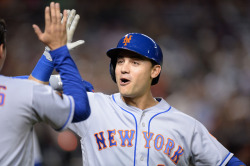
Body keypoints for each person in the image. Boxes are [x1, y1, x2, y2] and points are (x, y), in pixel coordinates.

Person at [30, 9, 245, 166]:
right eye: (120, 61)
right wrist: (51, 54)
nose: (124, 68)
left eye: (135, 62)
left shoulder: (186, 126)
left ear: (154, 71)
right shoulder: (93, 106)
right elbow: (29, 91)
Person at [0, 2, 90, 165]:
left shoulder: (20, 89)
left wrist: (50, 58)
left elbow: (26, 86)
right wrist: (59, 52)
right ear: (1, 50)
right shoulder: (19, 91)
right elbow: (80, 108)